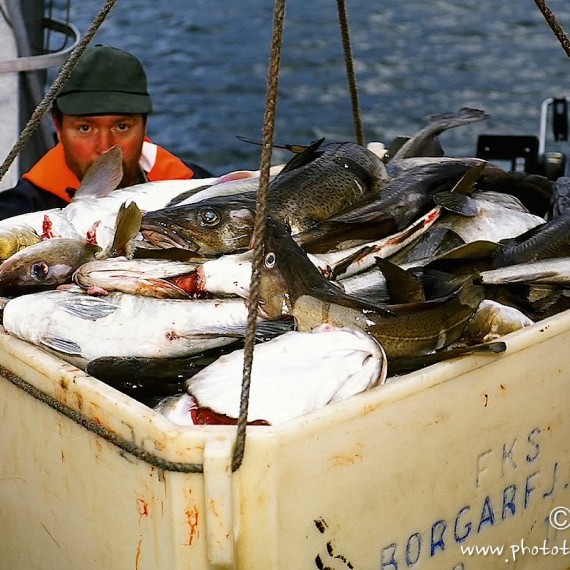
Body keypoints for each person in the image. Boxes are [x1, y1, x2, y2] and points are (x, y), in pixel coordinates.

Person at [0, 44, 212, 221]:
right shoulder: (17, 213)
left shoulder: (202, 190)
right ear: (58, 126)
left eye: (121, 127)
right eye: (85, 128)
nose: (104, 148)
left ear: (144, 125)